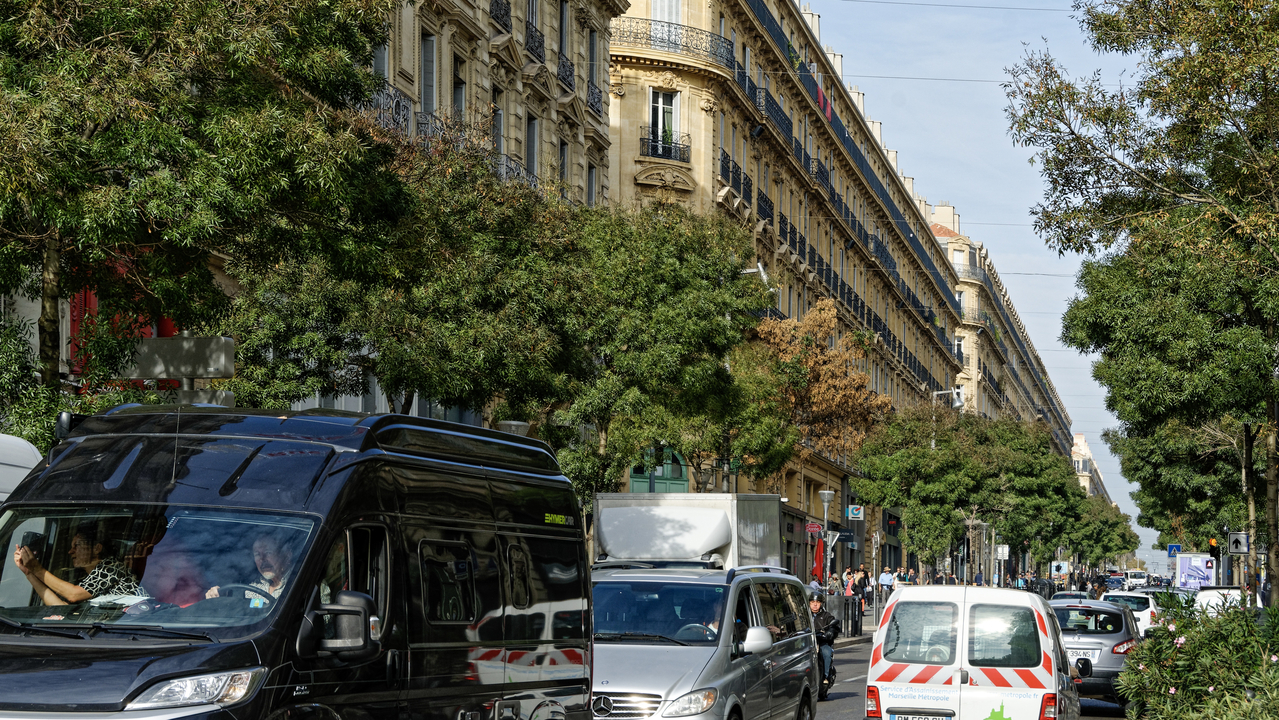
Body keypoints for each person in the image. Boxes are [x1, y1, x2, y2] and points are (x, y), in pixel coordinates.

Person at [12, 525, 143, 605]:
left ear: (97, 548)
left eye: (77, 545)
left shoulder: (112, 567)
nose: (70, 551)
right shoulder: (89, 579)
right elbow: (61, 607)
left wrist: (37, 568)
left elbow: (73, 595)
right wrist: (29, 573)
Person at [206, 531, 295, 601]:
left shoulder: (297, 582)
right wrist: (218, 597)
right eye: (257, 554)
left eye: (268, 552)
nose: (263, 559)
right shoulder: (252, 587)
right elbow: (239, 610)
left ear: (286, 555)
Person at [809, 595, 841, 700]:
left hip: (822, 642)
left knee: (826, 653)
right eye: (812, 602)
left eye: (817, 602)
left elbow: (834, 627)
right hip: (808, 643)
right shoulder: (804, 616)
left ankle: (826, 677)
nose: (815, 604)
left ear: (821, 603)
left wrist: (830, 633)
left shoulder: (826, 616)